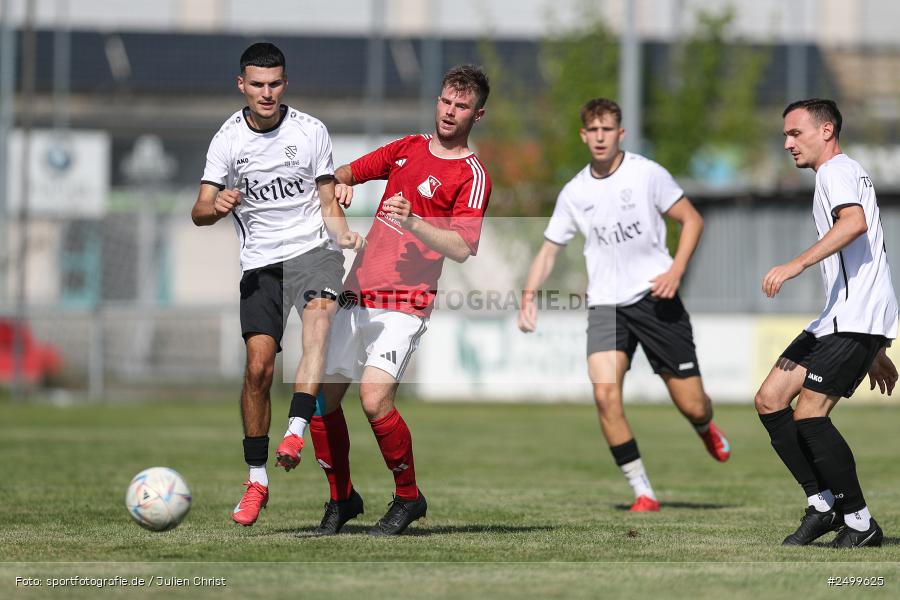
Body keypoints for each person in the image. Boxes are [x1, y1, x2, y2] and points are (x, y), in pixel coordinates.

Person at [517, 98, 731, 512]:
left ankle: (704, 425)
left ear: (620, 134)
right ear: (584, 135)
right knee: (604, 396)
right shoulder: (575, 192)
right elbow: (549, 250)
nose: (599, 137)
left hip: (657, 298)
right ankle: (643, 491)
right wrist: (528, 295)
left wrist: (676, 271)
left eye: (607, 129)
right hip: (606, 307)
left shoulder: (647, 174)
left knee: (692, 403)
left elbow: (692, 220)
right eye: (592, 130)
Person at [304, 64, 491, 536]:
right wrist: (342, 185)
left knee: (373, 400)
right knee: (324, 401)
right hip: (356, 292)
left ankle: (408, 498)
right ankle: (342, 499)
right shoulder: (407, 148)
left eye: (462, 106)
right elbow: (341, 172)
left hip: (405, 303)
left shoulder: (472, 174)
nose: (450, 112)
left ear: (478, 114)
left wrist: (414, 222)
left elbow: (463, 248)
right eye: (446, 101)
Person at [191, 42, 363, 527]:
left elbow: (328, 201)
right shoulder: (227, 141)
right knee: (258, 369)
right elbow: (198, 209)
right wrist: (216, 205)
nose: (266, 93)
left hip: (314, 254)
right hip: (261, 265)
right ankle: (256, 480)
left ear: (284, 84)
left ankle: (295, 430)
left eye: (274, 84)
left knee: (319, 324)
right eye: (257, 85)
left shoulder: (311, 132)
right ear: (241, 85)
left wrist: (344, 234)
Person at [756, 98, 898, 548]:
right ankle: (823, 505)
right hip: (841, 318)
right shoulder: (841, 172)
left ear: (827, 130)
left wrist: (794, 265)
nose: (787, 143)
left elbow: (853, 224)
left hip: (854, 317)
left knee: (810, 414)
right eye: (785, 135)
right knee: (770, 399)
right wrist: (874, 349)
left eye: (795, 133)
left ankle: (859, 522)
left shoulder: (836, 171)